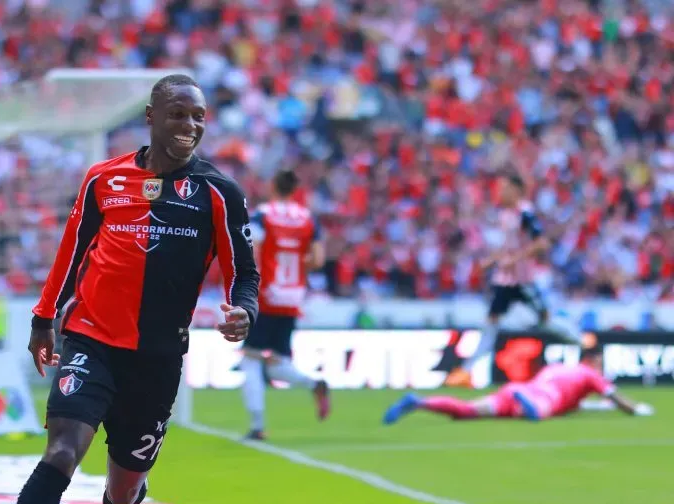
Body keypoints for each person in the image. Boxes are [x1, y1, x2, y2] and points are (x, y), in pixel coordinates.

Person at [0, 74, 259, 504]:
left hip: (157, 361)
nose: (190, 126)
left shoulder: (219, 193)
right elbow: (71, 252)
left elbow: (244, 274)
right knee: (61, 453)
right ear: (151, 116)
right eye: (178, 114)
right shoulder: (103, 179)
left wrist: (244, 311)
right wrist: (43, 319)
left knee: (126, 480)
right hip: (91, 341)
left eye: (198, 117)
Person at [445, 172, 582, 388]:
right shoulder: (506, 215)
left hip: (523, 280)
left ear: (516, 190)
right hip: (505, 281)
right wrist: (491, 261)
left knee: (544, 320)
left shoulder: (525, 213)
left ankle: (583, 342)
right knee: (491, 323)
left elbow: (541, 243)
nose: (500, 192)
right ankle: (466, 371)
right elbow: (508, 247)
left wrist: (515, 260)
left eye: (504, 188)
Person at [239, 170, 329, 440]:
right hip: (293, 296)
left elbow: (250, 247)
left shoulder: (263, 215)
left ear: (273, 186)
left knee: (250, 360)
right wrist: (297, 264)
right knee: (277, 364)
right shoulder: (307, 218)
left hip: (267, 294)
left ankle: (257, 426)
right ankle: (314, 383)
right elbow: (318, 260)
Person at [385, 346, 654, 424]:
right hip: (543, 397)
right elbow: (614, 395)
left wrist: (597, 408)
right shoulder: (589, 374)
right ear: (593, 361)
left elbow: (576, 404)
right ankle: (529, 410)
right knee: (540, 412)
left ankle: (420, 402)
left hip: (517, 389)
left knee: (467, 410)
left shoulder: (558, 367)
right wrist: (636, 409)